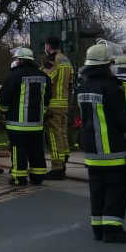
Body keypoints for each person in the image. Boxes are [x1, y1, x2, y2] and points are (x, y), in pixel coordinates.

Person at [79, 42, 126, 242]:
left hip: (91, 152)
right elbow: (124, 120)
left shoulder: (82, 88)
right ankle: (113, 230)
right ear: (106, 65)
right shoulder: (112, 88)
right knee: (115, 190)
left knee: (96, 190)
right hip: (112, 151)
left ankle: (98, 228)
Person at [0, 47, 51, 187]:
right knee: (37, 150)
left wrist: (3, 111)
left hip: (17, 124)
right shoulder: (43, 76)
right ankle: (38, 176)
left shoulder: (14, 76)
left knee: (18, 150)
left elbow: (4, 99)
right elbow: (47, 99)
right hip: (37, 124)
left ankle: (18, 177)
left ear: (20, 60)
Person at [41, 36, 73, 179]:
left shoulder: (52, 60)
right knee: (62, 133)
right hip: (64, 103)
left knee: (54, 135)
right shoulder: (66, 60)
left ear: (48, 46)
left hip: (53, 104)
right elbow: (71, 81)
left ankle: (57, 167)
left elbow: (45, 79)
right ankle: (64, 157)